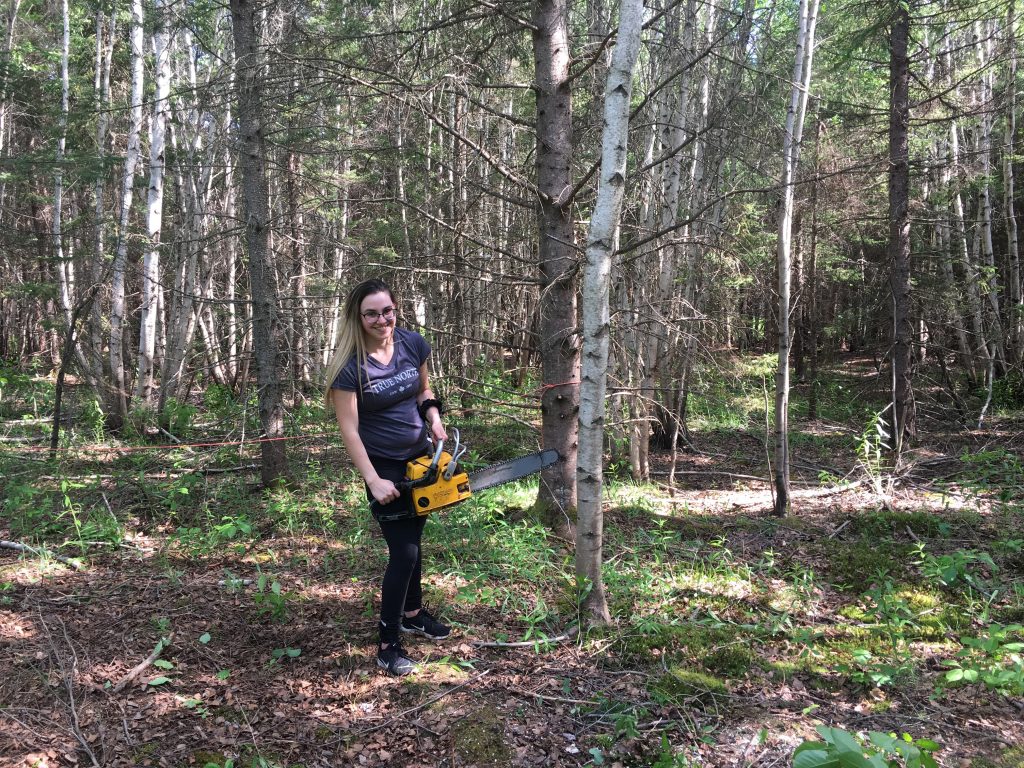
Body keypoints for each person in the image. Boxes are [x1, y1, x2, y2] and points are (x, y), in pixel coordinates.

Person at [325, 278, 451, 676]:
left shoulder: (413, 344)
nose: (382, 319)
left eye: (388, 311)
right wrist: (374, 480)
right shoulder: (350, 369)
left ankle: (412, 613)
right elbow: (349, 430)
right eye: (372, 313)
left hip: (420, 459)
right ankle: (388, 641)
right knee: (404, 552)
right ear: (358, 318)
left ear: (397, 309)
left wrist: (433, 417)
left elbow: (423, 391)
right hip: (383, 467)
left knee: (414, 540)